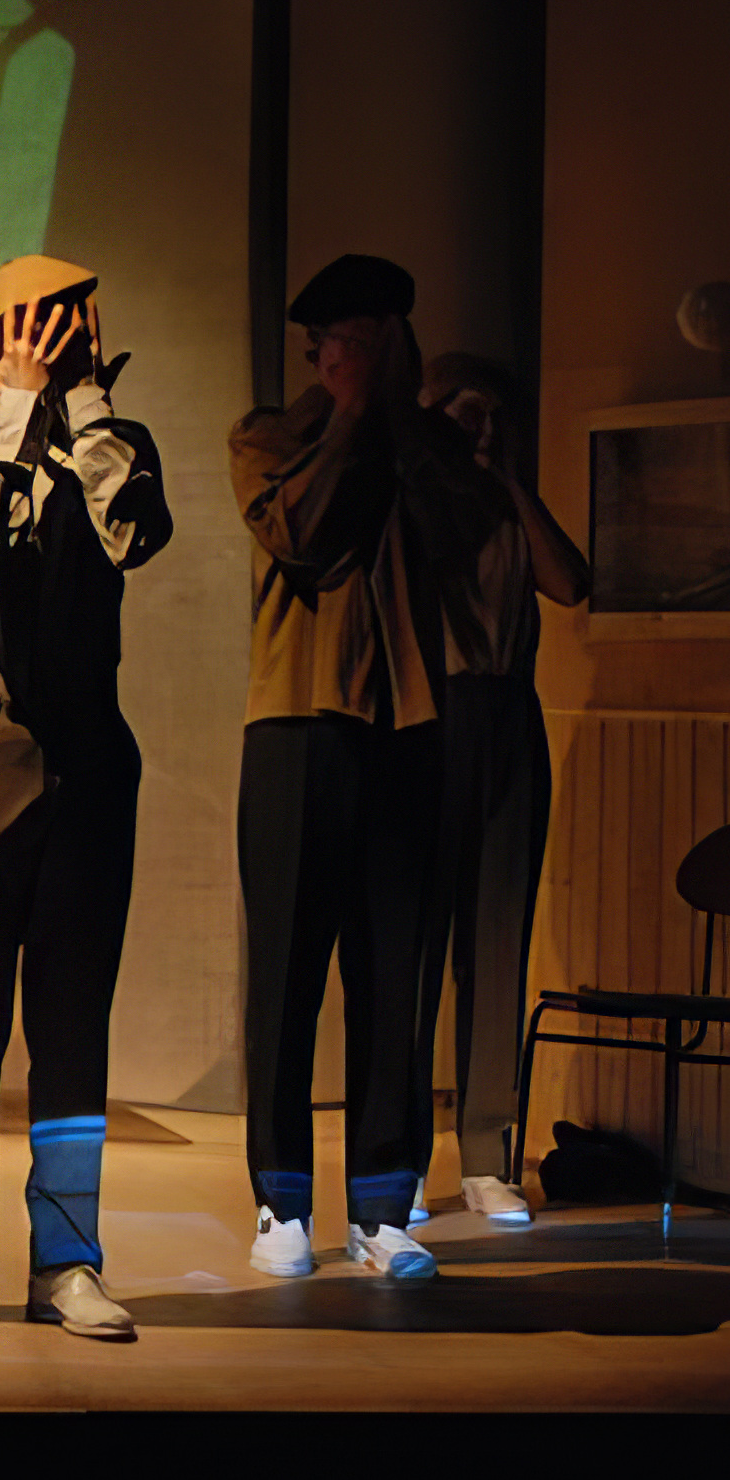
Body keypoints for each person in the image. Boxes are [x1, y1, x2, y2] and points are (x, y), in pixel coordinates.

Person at [0, 256, 170, 1340]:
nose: (52, 346)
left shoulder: (111, 446)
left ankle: (69, 1260)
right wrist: (15, 412)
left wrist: (86, 404)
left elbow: (133, 533)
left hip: (90, 753)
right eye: (33, 330)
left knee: (72, 1021)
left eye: (69, 328)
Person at [229, 253, 490, 1281]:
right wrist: (347, 419)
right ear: (316, 353)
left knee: (394, 976)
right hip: (297, 726)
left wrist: (403, 424)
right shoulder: (270, 436)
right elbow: (300, 536)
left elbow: (466, 535)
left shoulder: (431, 443)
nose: (358, 360)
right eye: (344, 343)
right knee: (287, 974)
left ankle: (384, 1208)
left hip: (410, 728)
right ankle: (279, 1202)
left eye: (377, 342)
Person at [410, 353, 589, 1223]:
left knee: (496, 938)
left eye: (488, 414)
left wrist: (512, 481)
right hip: (431, 717)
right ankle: (396, 1157)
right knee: (413, 948)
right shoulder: (413, 499)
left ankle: (486, 1152)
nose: (476, 429)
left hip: (509, 715)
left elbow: (570, 584)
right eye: (460, 412)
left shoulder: (512, 507)